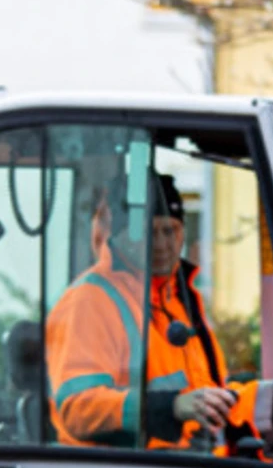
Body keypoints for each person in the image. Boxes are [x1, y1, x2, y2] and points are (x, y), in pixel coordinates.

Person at [46, 171, 255, 452]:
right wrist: (170, 407)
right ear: (119, 235)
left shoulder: (180, 300)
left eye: (170, 231)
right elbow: (78, 407)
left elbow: (205, 398)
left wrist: (268, 400)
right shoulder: (91, 300)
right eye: (149, 233)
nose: (161, 245)